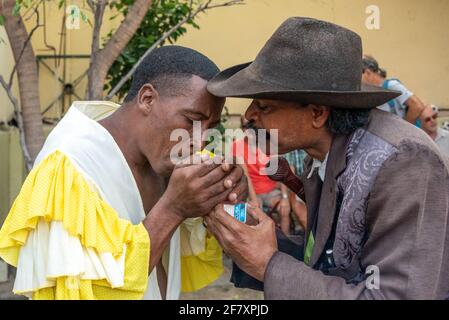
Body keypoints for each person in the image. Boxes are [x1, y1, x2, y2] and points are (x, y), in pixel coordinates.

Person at [205, 17, 449, 299]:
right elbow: (329, 261)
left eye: (263, 105)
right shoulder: (321, 156)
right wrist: (249, 241)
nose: (248, 116)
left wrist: (268, 265)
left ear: (318, 114)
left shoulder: (403, 161)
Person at [0, 46, 247, 300]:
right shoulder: (69, 166)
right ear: (147, 99)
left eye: (211, 127)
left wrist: (237, 197)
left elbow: (232, 233)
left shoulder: (169, 155)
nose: (201, 140)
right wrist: (173, 209)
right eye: (192, 120)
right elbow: (90, 292)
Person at [231, 118, 291, 234]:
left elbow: (280, 171)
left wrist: (285, 198)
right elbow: (245, 175)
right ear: (242, 129)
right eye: (246, 126)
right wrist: (253, 199)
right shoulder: (237, 146)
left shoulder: (268, 144)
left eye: (252, 126)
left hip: (271, 190)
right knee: (255, 214)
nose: (249, 130)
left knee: (284, 210)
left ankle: (286, 244)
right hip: (251, 192)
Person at [362, 55, 426, 125]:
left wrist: (403, 130)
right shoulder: (371, 91)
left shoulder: (391, 86)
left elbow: (417, 106)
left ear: (367, 73)